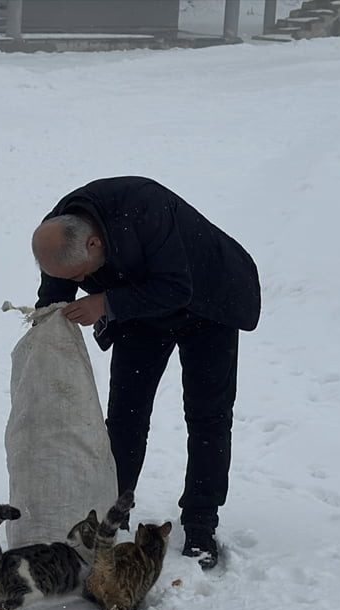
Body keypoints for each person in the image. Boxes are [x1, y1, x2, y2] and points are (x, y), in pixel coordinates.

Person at [31, 176, 261, 570]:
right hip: (141, 313)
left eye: (79, 278)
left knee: (209, 417)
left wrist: (105, 302)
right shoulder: (60, 234)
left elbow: (176, 287)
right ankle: (114, 515)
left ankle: (201, 524)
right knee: (125, 417)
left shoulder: (144, 209)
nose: (76, 285)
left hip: (208, 302)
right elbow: (55, 292)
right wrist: (45, 332)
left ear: (94, 244)